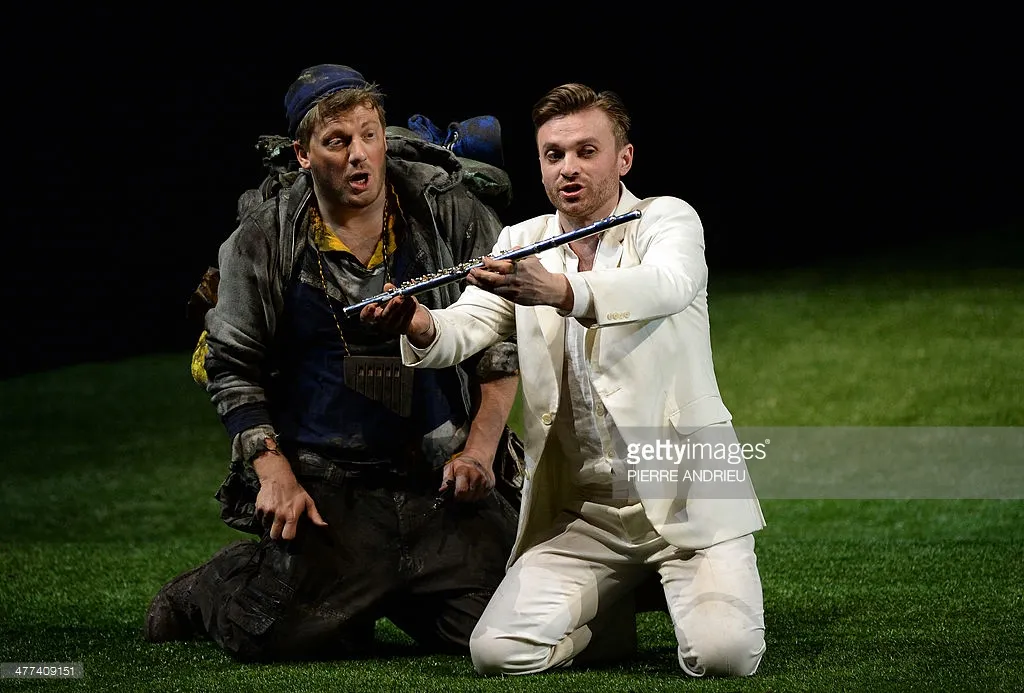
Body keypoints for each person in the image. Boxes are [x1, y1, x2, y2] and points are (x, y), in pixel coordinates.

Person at [362, 83, 767, 678]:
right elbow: (466, 327)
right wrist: (417, 322)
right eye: (553, 155)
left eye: (586, 151)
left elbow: (667, 285)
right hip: (586, 514)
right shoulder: (522, 242)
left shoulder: (667, 219)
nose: (568, 168)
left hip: (691, 500)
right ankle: (608, 616)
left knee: (724, 656)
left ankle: (651, 595)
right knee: (496, 653)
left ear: (623, 158)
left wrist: (558, 290)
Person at [143, 64, 521, 662]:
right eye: (337, 141)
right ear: (304, 154)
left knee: (497, 631)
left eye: (369, 135)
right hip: (329, 478)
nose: (358, 155)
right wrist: (275, 472)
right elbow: (231, 363)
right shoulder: (266, 235)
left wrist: (478, 452)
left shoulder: (445, 210)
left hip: (437, 474)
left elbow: (502, 341)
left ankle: (376, 586)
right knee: (271, 635)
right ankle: (215, 587)